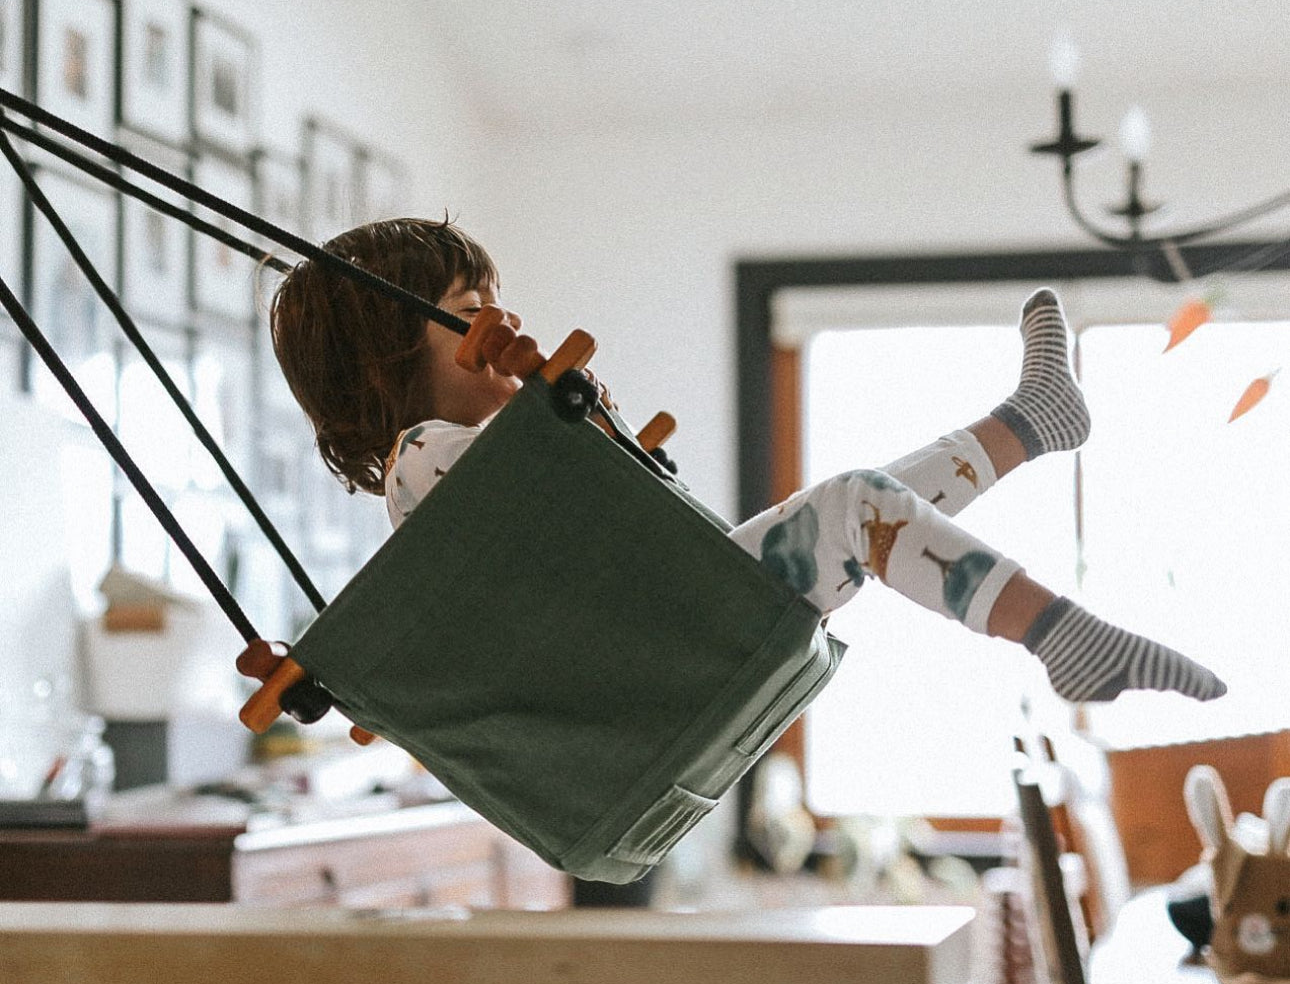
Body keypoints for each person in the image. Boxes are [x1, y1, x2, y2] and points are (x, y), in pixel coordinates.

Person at [270, 217, 1226, 707]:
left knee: (865, 510)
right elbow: (547, 505)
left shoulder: (463, 451)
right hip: (655, 645)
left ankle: (1034, 417)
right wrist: (560, 412)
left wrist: (569, 412)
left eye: (496, 293)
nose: (502, 317)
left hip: (670, 613)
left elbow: (583, 515)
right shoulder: (423, 460)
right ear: (391, 353)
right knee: (856, 507)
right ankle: (1060, 632)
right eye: (469, 302)